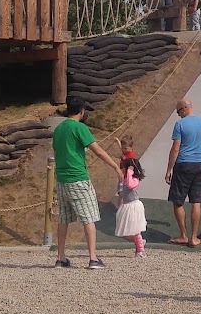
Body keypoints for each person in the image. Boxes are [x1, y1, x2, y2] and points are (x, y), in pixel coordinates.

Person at [52, 101, 121, 269]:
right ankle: (93, 258)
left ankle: (60, 258)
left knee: (64, 218)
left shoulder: (58, 129)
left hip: (61, 179)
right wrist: (115, 166)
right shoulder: (80, 128)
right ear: (82, 111)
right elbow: (98, 150)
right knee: (89, 217)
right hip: (78, 178)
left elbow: (57, 151)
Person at [165, 97, 201, 246]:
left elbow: (175, 148)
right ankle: (194, 238)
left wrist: (169, 169)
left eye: (178, 111)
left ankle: (184, 235)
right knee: (196, 201)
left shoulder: (180, 124)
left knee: (178, 201)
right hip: (200, 164)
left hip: (183, 164)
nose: (178, 115)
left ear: (184, 108)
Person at [114, 137, 147, 254]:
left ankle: (140, 250)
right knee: (126, 231)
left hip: (134, 205)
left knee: (135, 229)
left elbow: (132, 186)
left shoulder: (134, 179)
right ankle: (140, 242)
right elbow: (122, 191)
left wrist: (129, 173)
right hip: (127, 205)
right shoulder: (125, 179)